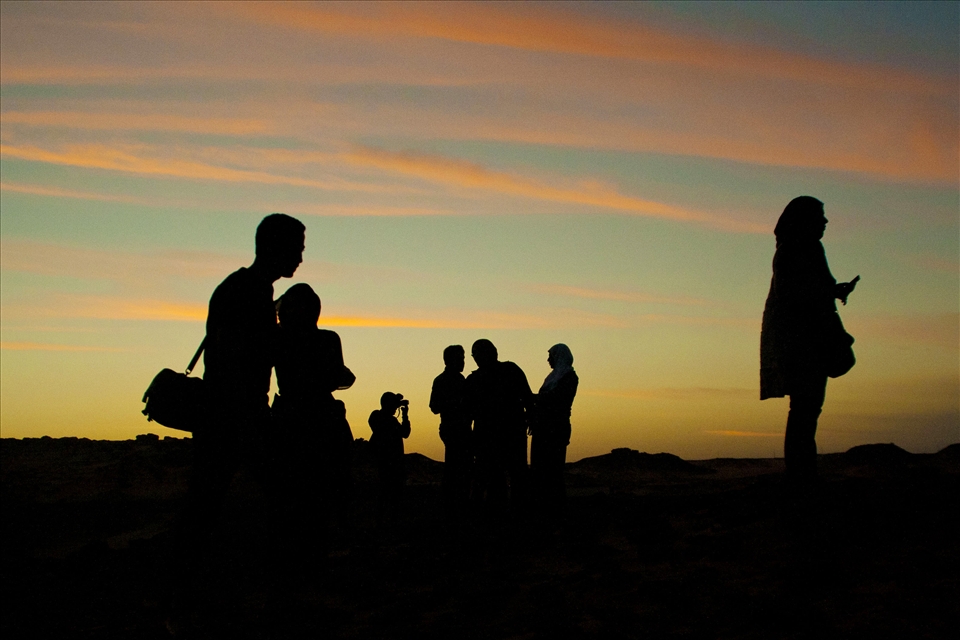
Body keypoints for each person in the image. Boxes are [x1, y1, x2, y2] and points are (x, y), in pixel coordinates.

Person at [168, 213, 305, 630]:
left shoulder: (250, 290)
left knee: (210, 506)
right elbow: (231, 359)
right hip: (233, 415)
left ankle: (189, 596)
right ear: (274, 247)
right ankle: (189, 600)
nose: (301, 256)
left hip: (234, 415)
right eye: (296, 246)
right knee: (226, 506)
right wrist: (249, 421)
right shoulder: (245, 291)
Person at [760, 196, 858, 482]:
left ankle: (803, 475)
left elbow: (810, 291)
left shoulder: (809, 249)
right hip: (802, 343)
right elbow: (790, 295)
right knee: (804, 410)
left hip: (812, 339)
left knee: (808, 409)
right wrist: (827, 293)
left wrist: (835, 291)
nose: (825, 221)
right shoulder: (792, 250)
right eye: (819, 216)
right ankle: (801, 477)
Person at [273, 283, 356, 567]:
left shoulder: (278, 338)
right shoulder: (327, 339)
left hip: (294, 417)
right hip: (315, 417)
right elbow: (340, 376)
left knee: (296, 495)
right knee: (320, 491)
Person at [464, 339, 533, 508]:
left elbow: (527, 399)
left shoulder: (478, 378)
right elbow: (528, 399)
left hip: (503, 435)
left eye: (477, 354)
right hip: (498, 436)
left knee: (508, 477)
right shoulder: (508, 371)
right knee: (504, 478)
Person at [530, 344, 578, 512]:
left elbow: (556, 400)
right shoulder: (553, 377)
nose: (548, 359)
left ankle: (556, 512)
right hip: (543, 429)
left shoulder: (569, 377)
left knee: (553, 473)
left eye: (551, 356)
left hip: (555, 430)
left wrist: (534, 399)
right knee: (540, 471)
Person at [430, 345, 472, 511]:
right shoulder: (442, 380)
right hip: (452, 429)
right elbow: (434, 406)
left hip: (463, 428)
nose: (463, 362)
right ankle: (451, 506)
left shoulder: (462, 380)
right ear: (450, 360)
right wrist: (456, 403)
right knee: (455, 469)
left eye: (463, 358)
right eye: (460, 359)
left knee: (463, 469)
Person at [368, 392, 411, 520]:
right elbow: (404, 433)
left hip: (392, 461)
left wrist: (404, 416)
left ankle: (387, 520)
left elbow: (405, 433)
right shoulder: (380, 417)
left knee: (391, 494)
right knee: (387, 493)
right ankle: (385, 521)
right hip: (387, 461)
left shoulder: (386, 419)